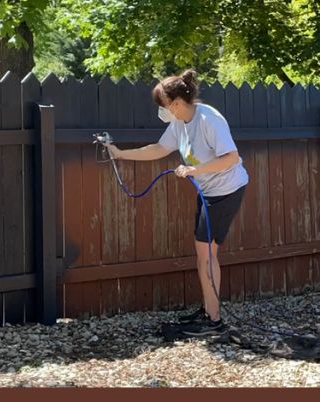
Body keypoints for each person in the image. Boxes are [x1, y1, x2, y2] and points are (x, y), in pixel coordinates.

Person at [103, 69, 248, 335]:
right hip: (207, 191)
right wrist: (121, 154)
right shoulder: (179, 123)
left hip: (226, 190)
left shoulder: (208, 119)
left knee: (207, 253)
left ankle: (213, 321)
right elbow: (159, 149)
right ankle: (208, 310)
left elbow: (230, 158)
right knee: (203, 251)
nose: (163, 111)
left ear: (178, 103)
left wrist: (193, 171)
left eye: (164, 106)